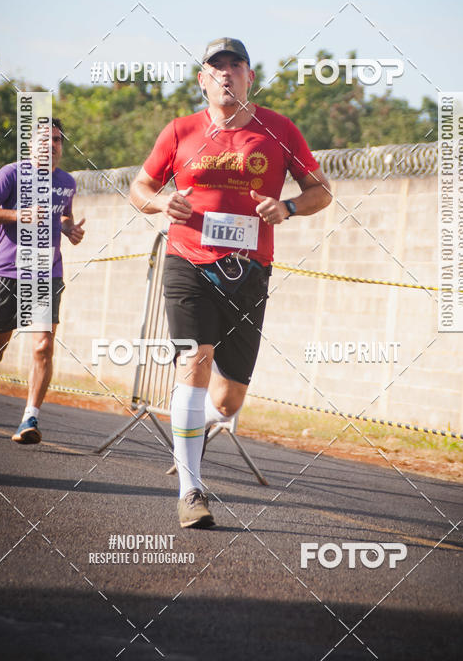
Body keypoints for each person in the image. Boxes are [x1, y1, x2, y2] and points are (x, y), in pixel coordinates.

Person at [130, 38, 331, 528]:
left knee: (227, 399)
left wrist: (286, 207)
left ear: (249, 77)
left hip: (249, 270)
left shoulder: (280, 131)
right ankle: (191, 489)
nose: (225, 75)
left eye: (234, 67)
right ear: (202, 79)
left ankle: (191, 431)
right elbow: (139, 188)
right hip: (188, 260)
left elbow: (322, 192)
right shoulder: (180, 131)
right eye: (215, 68)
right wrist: (161, 204)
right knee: (193, 358)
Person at [0, 118, 85, 444]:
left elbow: (63, 215)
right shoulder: (12, 174)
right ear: (31, 145)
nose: (52, 145)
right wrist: (18, 214)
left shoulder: (67, 182)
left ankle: (29, 418)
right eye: (45, 140)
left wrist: (69, 229)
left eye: (58, 140)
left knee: (43, 346)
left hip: (48, 273)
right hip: (7, 271)